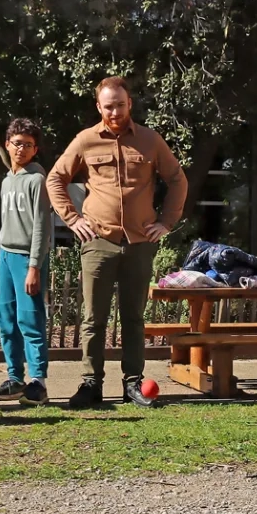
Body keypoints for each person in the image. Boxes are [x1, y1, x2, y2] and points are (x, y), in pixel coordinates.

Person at [47, 76, 188, 409]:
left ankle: (133, 383)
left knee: (133, 318)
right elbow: (56, 178)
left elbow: (177, 179)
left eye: (120, 105)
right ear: (99, 107)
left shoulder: (150, 140)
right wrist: (73, 219)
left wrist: (166, 222)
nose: (115, 112)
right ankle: (91, 384)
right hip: (98, 240)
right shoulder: (85, 140)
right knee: (93, 318)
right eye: (109, 106)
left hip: (139, 241)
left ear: (130, 104)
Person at [0, 118, 51, 405]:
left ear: (35, 149)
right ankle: (15, 379)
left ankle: (38, 382)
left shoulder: (37, 180)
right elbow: (6, 226)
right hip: (6, 256)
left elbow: (42, 226)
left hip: (28, 259)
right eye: (17, 144)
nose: (21, 149)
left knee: (30, 319)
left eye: (28, 145)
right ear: (7, 145)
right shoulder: (7, 180)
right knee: (5, 320)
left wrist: (34, 267)